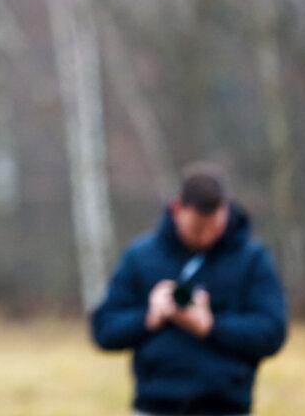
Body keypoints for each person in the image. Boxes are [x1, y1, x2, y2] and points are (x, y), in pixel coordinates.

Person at [91, 162, 287, 415]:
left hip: (226, 407)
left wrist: (211, 326)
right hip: (155, 405)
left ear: (226, 210)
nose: (206, 237)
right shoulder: (141, 257)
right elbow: (104, 329)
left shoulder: (252, 260)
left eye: (214, 228)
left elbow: (271, 332)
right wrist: (149, 318)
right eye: (197, 229)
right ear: (177, 210)